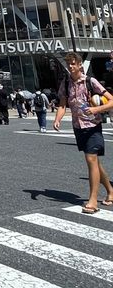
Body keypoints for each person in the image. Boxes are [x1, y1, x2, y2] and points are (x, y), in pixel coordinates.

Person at [54, 52, 113, 213]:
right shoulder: (65, 83)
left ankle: (92, 200)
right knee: (94, 163)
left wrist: (96, 109)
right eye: (68, 64)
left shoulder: (90, 81)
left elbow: (111, 100)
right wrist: (57, 119)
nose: (70, 67)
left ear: (80, 65)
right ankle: (110, 191)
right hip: (78, 127)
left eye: (73, 64)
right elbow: (62, 104)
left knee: (91, 158)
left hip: (93, 125)